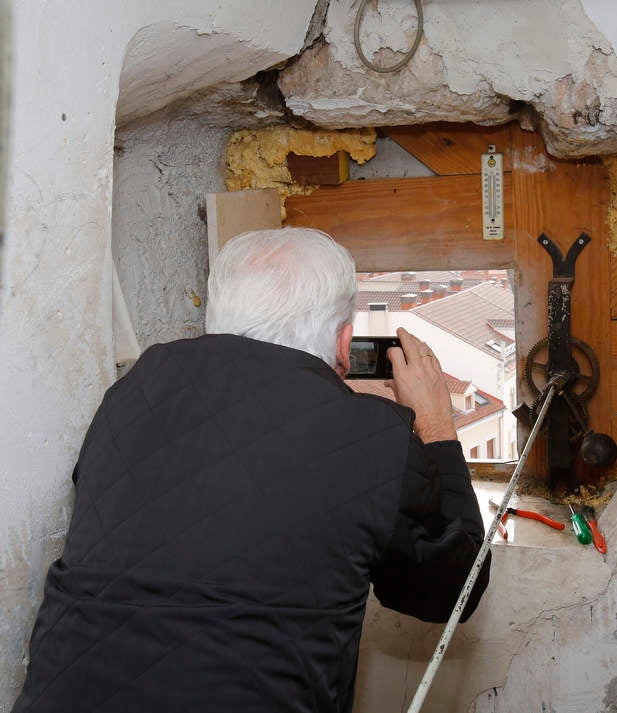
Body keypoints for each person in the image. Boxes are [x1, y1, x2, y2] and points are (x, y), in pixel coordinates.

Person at [12, 227, 490, 713]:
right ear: (344, 343)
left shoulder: (129, 394)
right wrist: (435, 424)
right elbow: (452, 592)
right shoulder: (371, 433)